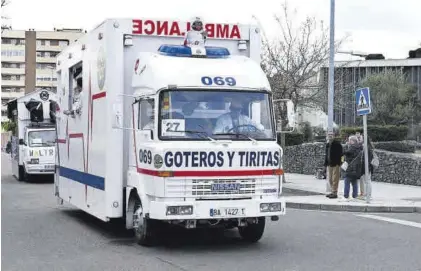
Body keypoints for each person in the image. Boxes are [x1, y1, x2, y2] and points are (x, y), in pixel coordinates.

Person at [324, 133, 343, 199]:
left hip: (336, 163)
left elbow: (341, 154)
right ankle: (332, 191)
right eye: (328, 135)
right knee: (330, 179)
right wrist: (325, 163)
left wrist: (340, 162)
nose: (330, 136)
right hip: (329, 163)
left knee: (335, 178)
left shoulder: (337, 144)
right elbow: (326, 155)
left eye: (331, 135)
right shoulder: (327, 144)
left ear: (334, 136)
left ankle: (335, 192)